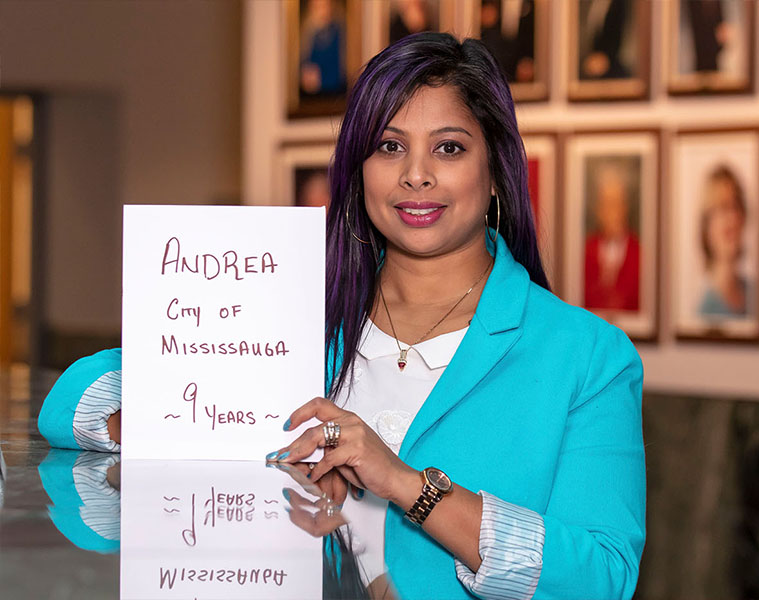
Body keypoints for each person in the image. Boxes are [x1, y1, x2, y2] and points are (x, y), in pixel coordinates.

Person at [39, 33, 645, 599]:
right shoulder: (294, 309)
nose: (416, 174)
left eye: (449, 148)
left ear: (494, 174)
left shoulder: (588, 355)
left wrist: (406, 484)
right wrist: (184, 427)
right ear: (359, 171)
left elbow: (602, 576)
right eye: (389, 146)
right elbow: (70, 407)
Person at [697, 165, 754, 319]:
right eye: (723, 208)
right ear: (707, 225)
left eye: (736, 207)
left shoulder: (754, 293)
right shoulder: (704, 310)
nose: (733, 218)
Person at [583, 162, 641, 311]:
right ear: (598, 210)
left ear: (625, 207)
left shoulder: (639, 252)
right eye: (606, 204)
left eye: (615, 203)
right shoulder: (586, 250)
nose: (611, 212)